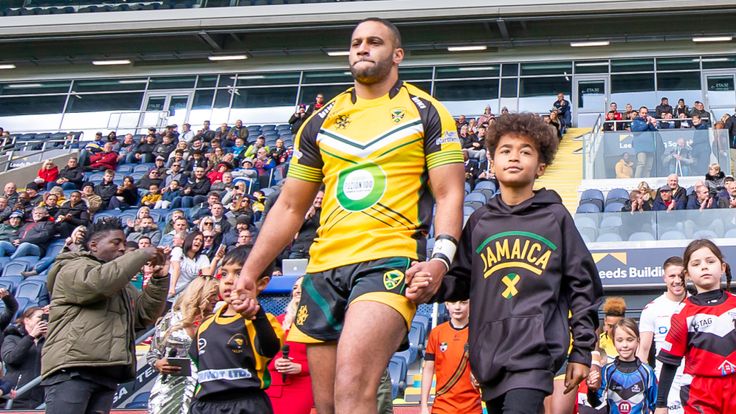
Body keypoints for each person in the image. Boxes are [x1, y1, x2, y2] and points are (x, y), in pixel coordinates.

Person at [232, 18, 464, 414]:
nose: (362, 48)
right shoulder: (320, 121)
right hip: (323, 269)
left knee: (353, 389)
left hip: (389, 260)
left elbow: (449, 193)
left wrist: (440, 260)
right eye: (356, 42)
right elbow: (290, 206)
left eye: (374, 41)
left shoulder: (426, 111)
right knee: (326, 405)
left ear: (397, 55)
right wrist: (250, 273)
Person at [414, 112, 603, 413]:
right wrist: (430, 285)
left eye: (525, 151)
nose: (514, 157)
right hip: (488, 354)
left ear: (541, 166)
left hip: (535, 352)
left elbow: (583, 287)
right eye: (505, 150)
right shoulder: (479, 221)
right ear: (492, 161)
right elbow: (460, 280)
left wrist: (581, 351)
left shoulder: (555, 217)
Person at [41, 217, 170, 414]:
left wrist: (159, 279)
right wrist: (140, 255)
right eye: (116, 242)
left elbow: (144, 315)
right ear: (93, 245)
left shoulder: (121, 284)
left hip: (107, 371)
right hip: (74, 369)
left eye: (125, 244)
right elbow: (97, 284)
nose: (122, 249)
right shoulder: (72, 267)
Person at [189, 246, 283, 414]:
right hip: (205, 405)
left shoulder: (263, 321)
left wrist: (256, 313)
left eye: (239, 273)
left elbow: (271, 348)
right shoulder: (206, 325)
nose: (229, 280)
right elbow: (197, 364)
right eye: (224, 274)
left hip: (245, 405)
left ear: (261, 283)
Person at [655, 239, 735, 414]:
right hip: (700, 392)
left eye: (710, 261)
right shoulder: (682, 313)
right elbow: (670, 363)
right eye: (696, 263)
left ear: (722, 268)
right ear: (687, 274)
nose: (704, 267)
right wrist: (661, 404)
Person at [147, 276, 219, 414]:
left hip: (204, 391)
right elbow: (152, 353)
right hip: (169, 389)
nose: (217, 299)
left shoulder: (216, 321)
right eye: (213, 295)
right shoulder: (173, 319)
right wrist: (157, 363)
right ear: (200, 293)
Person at [636, 257, 686, 414]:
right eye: (672, 276)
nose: (677, 280)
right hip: (665, 386)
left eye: (681, 276)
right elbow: (643, 352)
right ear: (664, 277)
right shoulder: (652, 309)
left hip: (695, 382)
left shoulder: (697, 304)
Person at [420, 299, 481, 414]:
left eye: (463, 302)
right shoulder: (436, 333)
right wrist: (423, 406)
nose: (457, 307)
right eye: (453, 302)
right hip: (442, 407)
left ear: (471, 304)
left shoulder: (478, 333)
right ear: (447, 305)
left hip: (472, 408)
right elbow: (428, 369)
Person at [586, 318, 658, 414]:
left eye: (630, 340)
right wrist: (591, 390)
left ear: (638, 341)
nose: (625, 345)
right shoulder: (607, 371)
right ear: (614, 342)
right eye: (620, 340)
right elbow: (595, 403)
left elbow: (656, 405)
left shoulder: (647, 372)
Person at [266, 277, 314, 414]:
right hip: (274, 386)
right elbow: (260, 354)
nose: (297, 291)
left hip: (303, 385)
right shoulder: (277, 321)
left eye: (303, 287)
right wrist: (275, 363)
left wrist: (301, 367)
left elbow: (330, 361)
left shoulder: (321, 323)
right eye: (295, 288)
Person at [2, 306, 48, 409]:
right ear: (27, 320)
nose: (43, 321)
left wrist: (49, 337)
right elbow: (11, 358)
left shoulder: (46, 340)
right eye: (40, 317)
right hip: (15, 399)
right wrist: (31, 336)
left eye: (46, 318)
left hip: (40, 401)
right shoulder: (12, 337)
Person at [168, 232, 210, 298]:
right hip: (170, 291)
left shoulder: (203, 258)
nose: (198, 242)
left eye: (201, 241)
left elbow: (207, 277)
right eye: (196, 239)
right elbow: (176, 268)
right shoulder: (178, 251)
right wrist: (173, 287)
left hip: (186, 295)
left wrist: (216, 260)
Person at [631, 106, 658, 178]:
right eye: (642, 113)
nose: (644, 114)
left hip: (650, 147)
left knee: (648, 167)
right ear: (639, 113)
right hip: (641, 148)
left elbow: (655, 132)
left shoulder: (648, 122)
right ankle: (636, 181)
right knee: (641, 164)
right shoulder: (635, 121)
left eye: (645, 113)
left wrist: (650, 124)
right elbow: (635, 131)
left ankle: (646, 182)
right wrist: (646, 124)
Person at [599, 297, 626, 363]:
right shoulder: (598, 342)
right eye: (610, 326)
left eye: (616, 326)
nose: (613, 330)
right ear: (605, 321)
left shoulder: (630, 342)